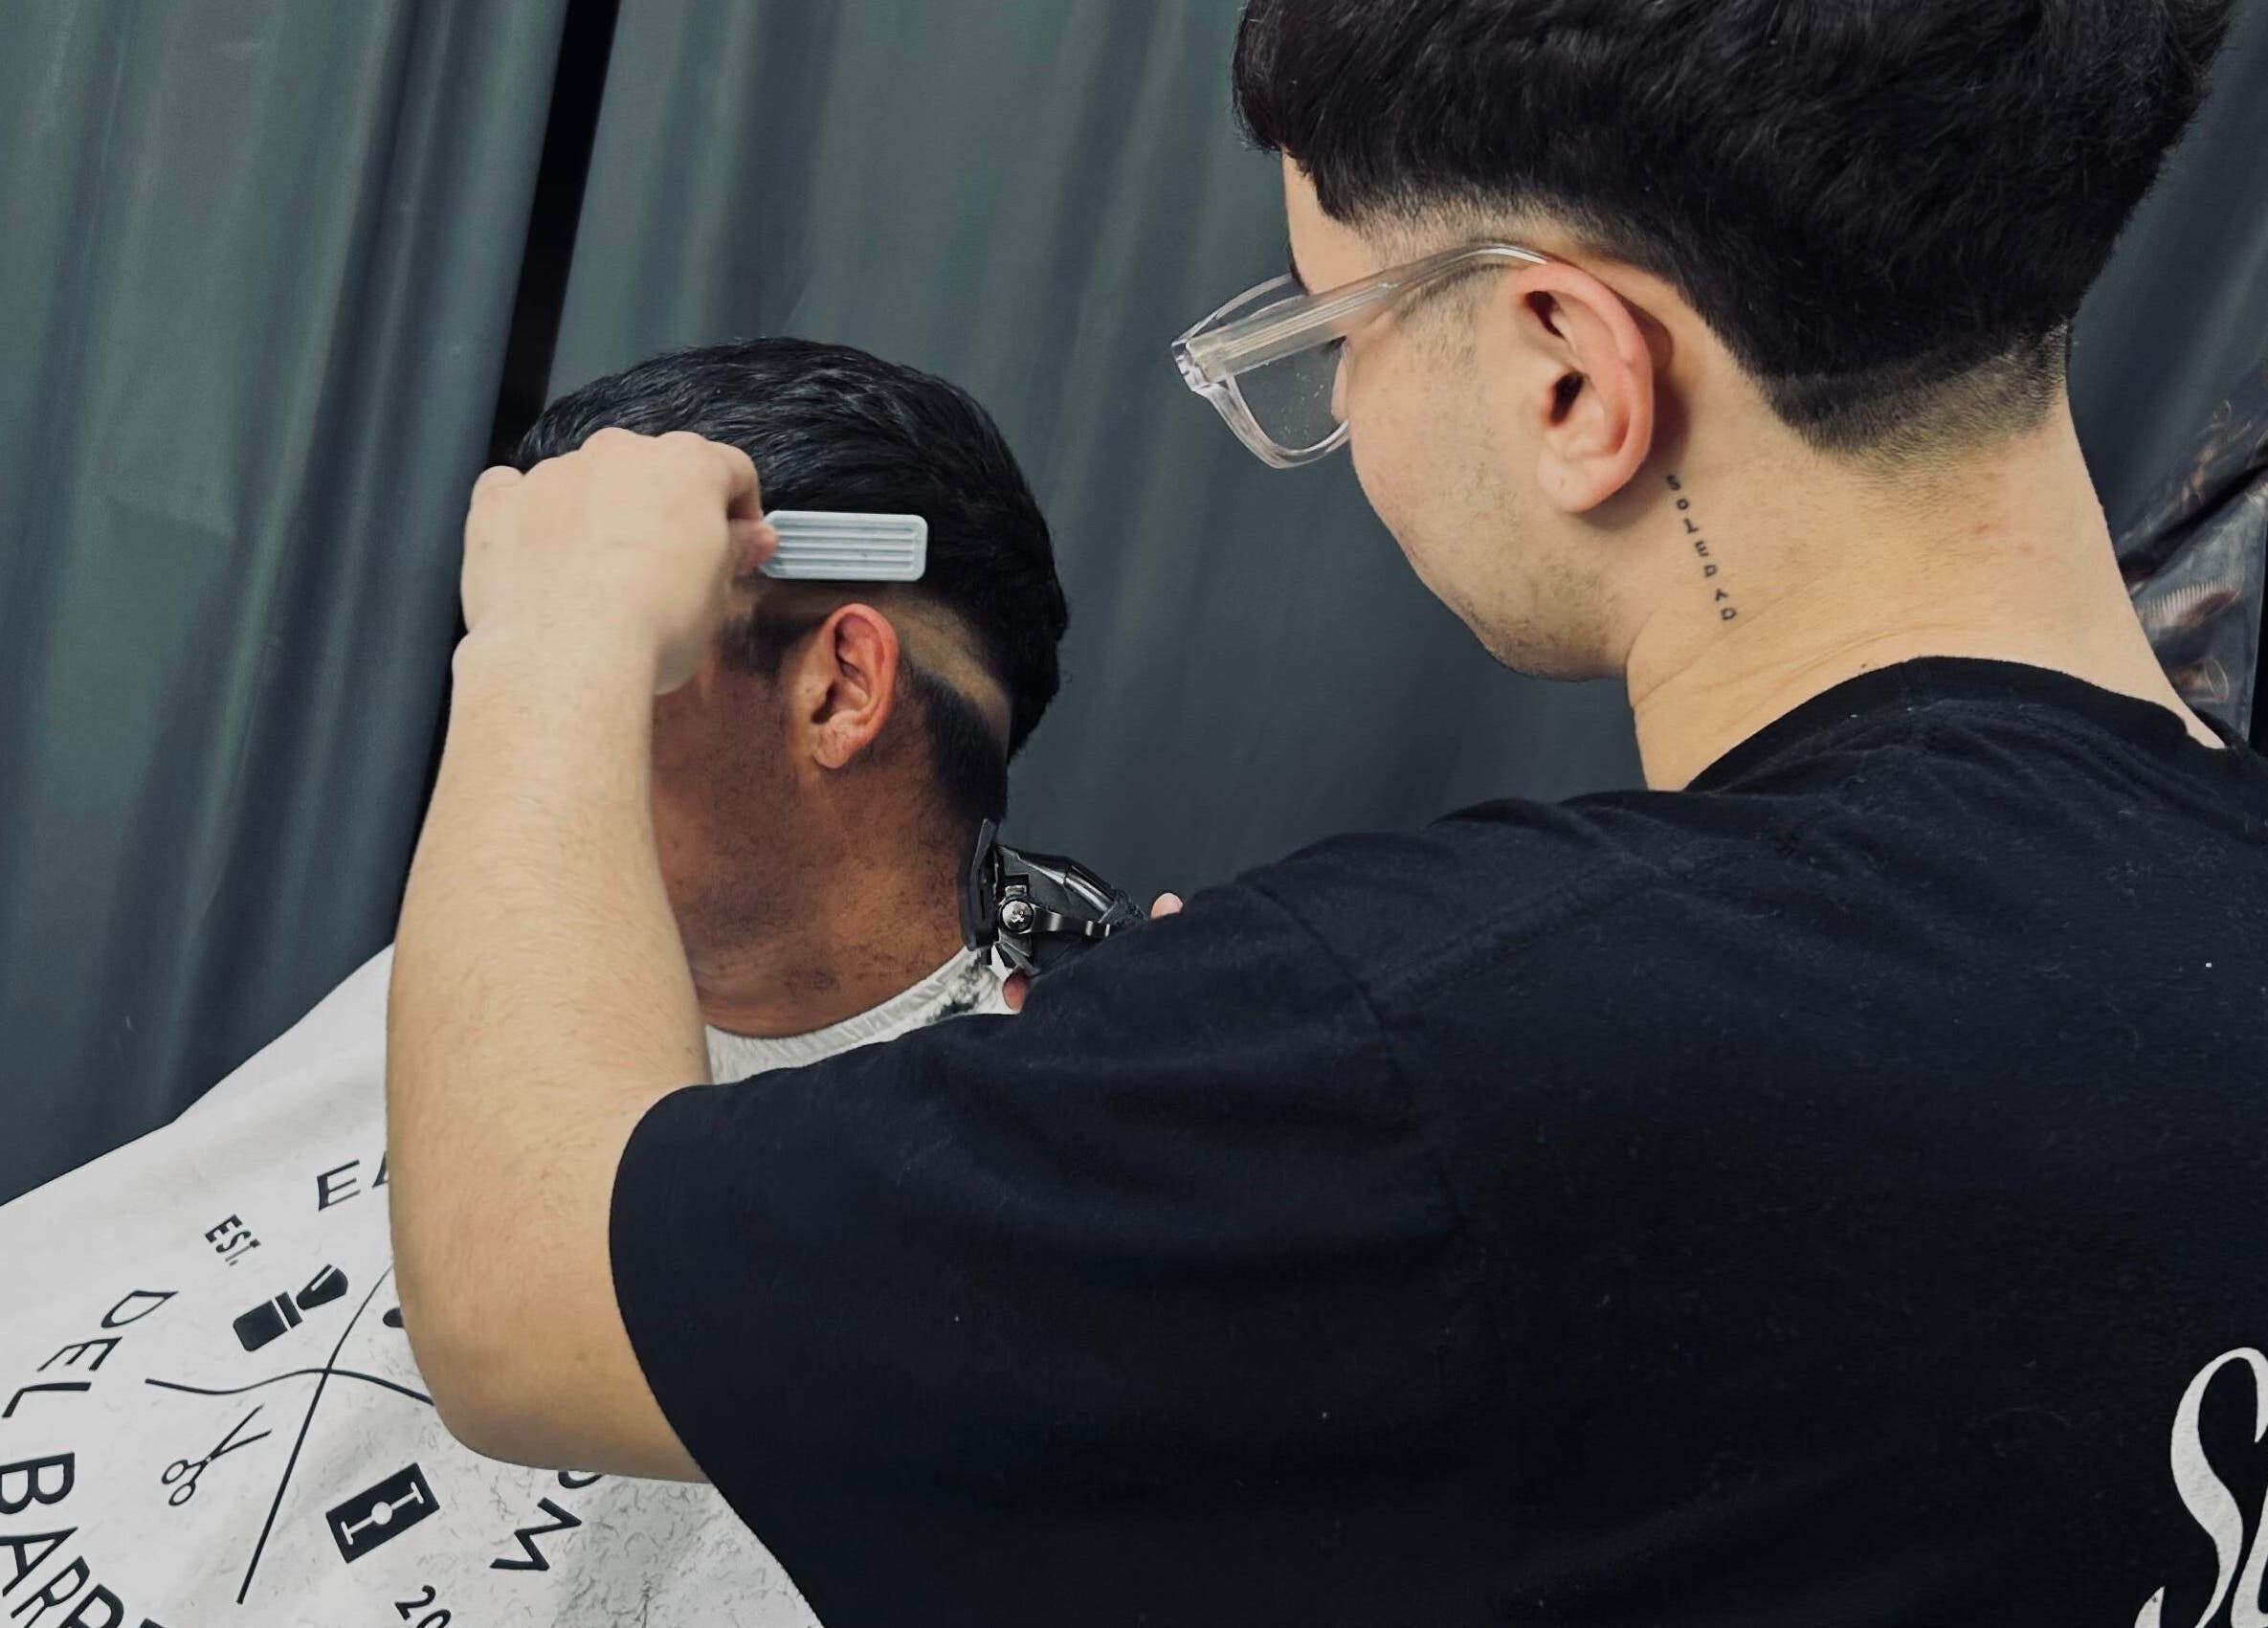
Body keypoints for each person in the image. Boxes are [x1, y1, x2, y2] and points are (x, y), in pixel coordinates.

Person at [381, 2, 2268, 1624]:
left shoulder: (1435, 1047)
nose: (1340, 393)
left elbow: (522, 1288)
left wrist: (553, 627)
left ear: (1567, 371)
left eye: (1334, 322)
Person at [0, 338, 1067, 1626]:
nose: (514, 725)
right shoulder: (490, 960)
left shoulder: (1013, 1184)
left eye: (604, 641)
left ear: (839, 688)